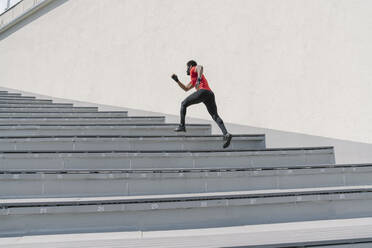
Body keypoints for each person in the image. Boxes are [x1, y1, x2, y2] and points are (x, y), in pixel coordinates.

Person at [171, 60, 232, 148]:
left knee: (183, 104)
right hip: (209, 94)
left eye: (186, 68)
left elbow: (200, 67)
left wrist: (199, 78)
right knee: (215, 116)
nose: (186, 70)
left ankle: (182, 126)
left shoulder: (193, 70)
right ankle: (226, 134)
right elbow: (185, 88)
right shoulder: (193, 80)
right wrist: (177, 81)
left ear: (190, 66)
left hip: (202, 91)